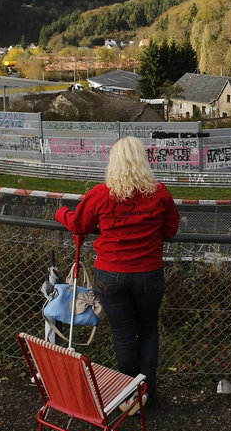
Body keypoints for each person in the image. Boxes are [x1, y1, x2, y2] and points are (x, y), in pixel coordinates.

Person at [54, 135, 179, 407]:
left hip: (111, 274)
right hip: (149, 273)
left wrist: (60, 213)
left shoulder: (101, 193)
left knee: (123, 333)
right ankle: (148, 392)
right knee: (148, 329)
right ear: (143, 161)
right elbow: (170, 230)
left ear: (114, 162)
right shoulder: (159, 193)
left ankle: (129, 395)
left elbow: (79, 225)